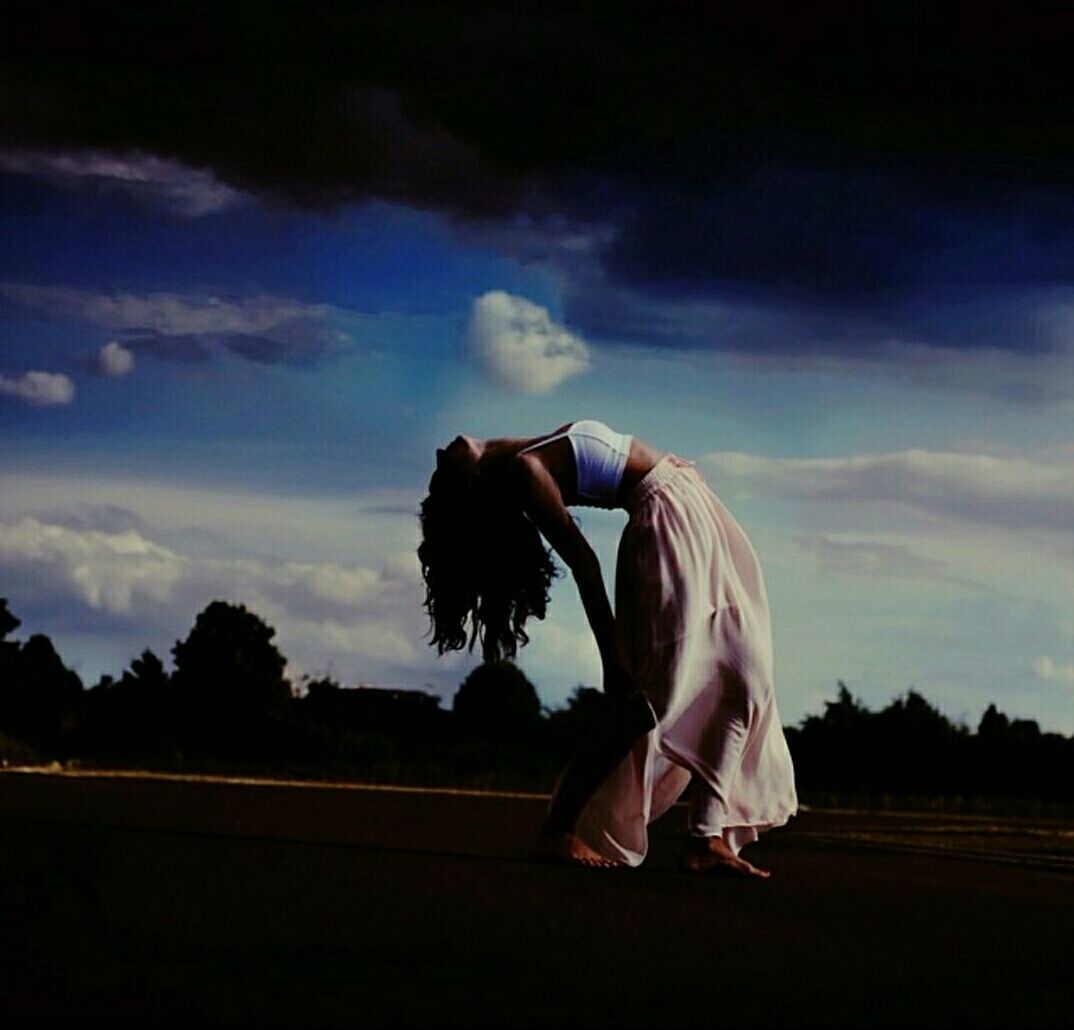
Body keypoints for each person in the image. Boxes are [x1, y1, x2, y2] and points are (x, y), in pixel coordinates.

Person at [419, 419, 797, 876]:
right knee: (657, 698)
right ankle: (556, 830)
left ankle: (706, 837)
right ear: (471, 485)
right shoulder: (526, 470)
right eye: (443, 470)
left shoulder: (525, 449)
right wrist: (611, 655)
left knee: (746, 677)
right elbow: (584, 563)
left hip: (689, 506)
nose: (442, 451)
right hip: (664, 525)